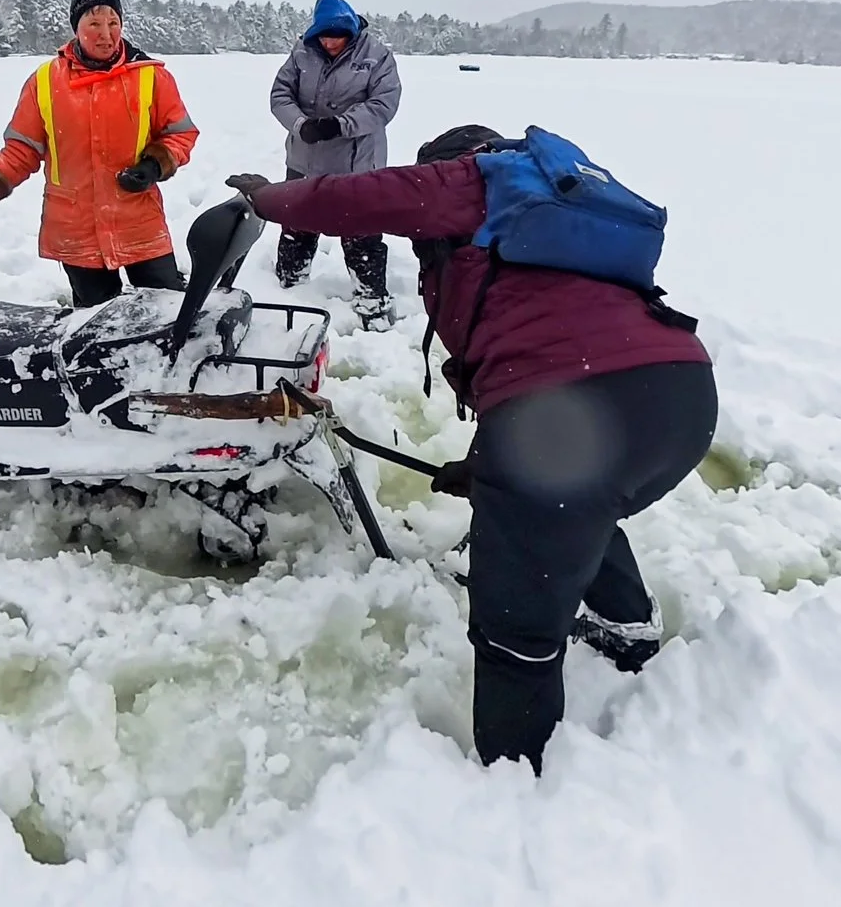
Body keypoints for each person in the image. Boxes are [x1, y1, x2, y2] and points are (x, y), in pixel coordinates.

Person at [225, 125, 715, 774]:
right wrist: (488, 467)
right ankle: (626, 628)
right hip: (678, 398)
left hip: (580, 405)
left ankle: (517, 782)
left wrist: (272, 199)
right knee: (573, 506)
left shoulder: (477, 182)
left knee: (514, 625)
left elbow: (362, 197)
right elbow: (542, 351)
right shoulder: (546, 229)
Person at [0, 0, 201, 306]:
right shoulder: (45, 81)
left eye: (113, 23)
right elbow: (22, 149)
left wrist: (154, 165)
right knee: (93, 325)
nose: (106, 33)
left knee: (165, 310)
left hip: (139, 222)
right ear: (76, 29)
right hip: (75, 228)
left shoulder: (151, 76)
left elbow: (181, 134)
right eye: (94, 24)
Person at [267, 0, 403, 328]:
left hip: (357, 165)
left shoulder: (377, 55)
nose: (331, 43)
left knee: (362, 236)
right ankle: (288, 294)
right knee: (297, 226)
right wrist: (300, 125)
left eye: (338, 37)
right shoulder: (301, 52)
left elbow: (384, 104)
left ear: (351, 31)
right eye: (325, 36)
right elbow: (280, 94)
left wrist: (340, 125)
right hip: (304, 160)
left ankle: (373, 306)